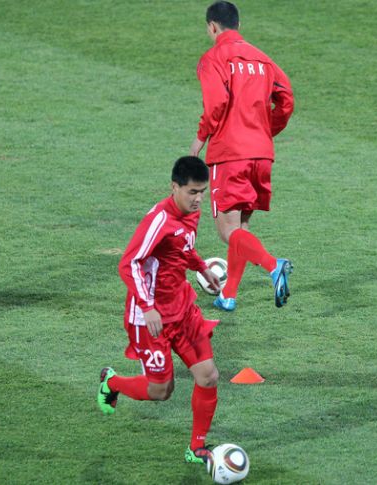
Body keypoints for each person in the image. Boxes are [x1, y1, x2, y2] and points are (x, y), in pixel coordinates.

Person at [97, 156, 224, 465]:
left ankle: (197, 448)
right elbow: (128, 263)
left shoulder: (190, 213)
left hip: (182, 308)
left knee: (208, 376)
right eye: (192, 192)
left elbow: (184, 246)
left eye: (202, 192)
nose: (198, 199)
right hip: (149, 319)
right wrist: (148, 306)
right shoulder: (158, 221)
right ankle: (111, 382)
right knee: (160, 391)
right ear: (174, 187)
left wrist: (201, 267)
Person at [189, 1, 295, 312]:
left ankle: (274, 265)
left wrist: (199, 139)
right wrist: (263, 131)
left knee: (227, 230)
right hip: (261, 155)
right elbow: (286, 101)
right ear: (238, 24)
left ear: (212, 26)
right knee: (241, 229)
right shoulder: (263, 59)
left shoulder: (213, 59)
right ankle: (229, 294)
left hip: (230, 154)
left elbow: (217, 102)